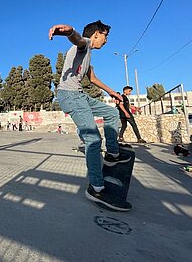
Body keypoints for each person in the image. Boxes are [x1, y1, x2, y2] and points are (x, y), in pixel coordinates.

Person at [50, 20, 131, 211]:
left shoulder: (88, 55)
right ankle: (96, 188)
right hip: (70, 96)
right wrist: (69, 31)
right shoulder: (84, 43)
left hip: (80, 96)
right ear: (96, 34)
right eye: (105, 36)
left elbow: (92, 78)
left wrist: (113, 92)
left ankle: (112, 154)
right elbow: (76, 39)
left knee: (112, 113)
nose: (106, 40)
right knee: (93, 138)